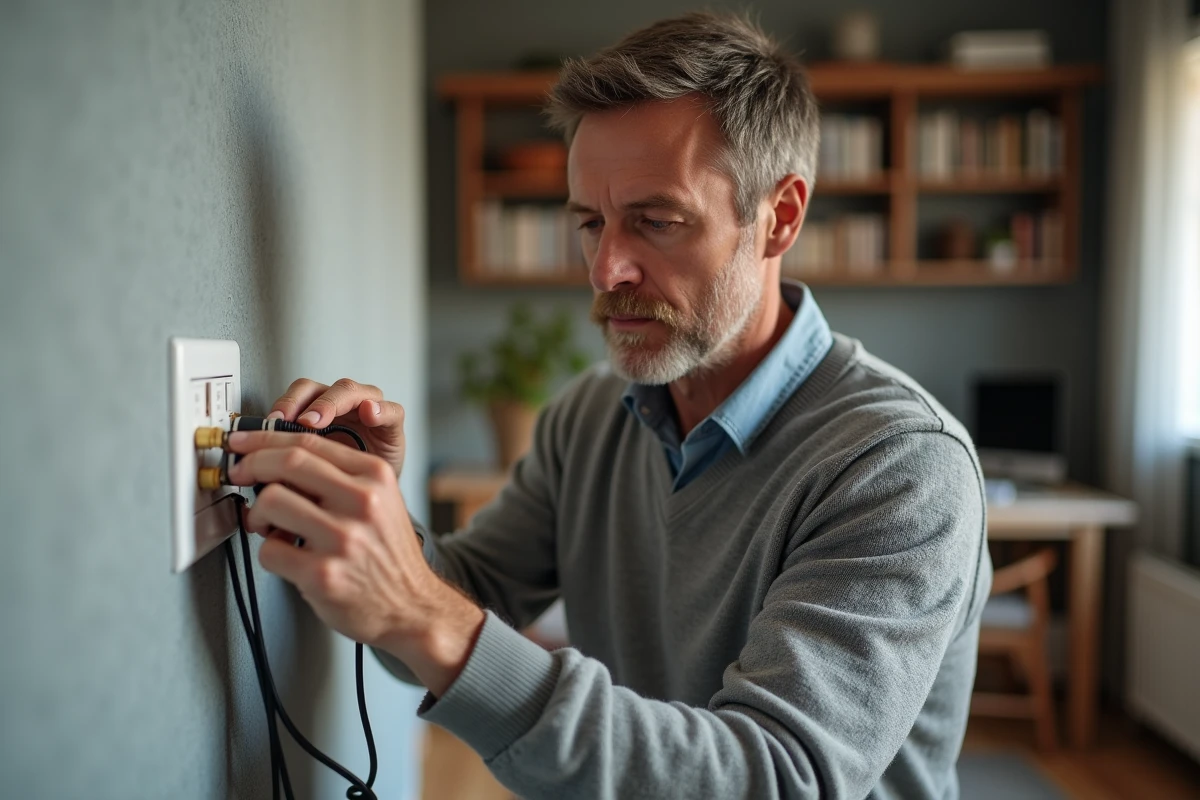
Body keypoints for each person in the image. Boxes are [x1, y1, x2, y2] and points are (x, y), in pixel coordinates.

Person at [226, 12, 992, 799]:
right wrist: (375, 514)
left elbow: (776, 778)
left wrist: (432, 619)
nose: (606, 269)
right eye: (590, 223)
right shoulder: (587, 419)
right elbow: (425, 614)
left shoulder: (903, 464)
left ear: (780, 217)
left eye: (656, 221)